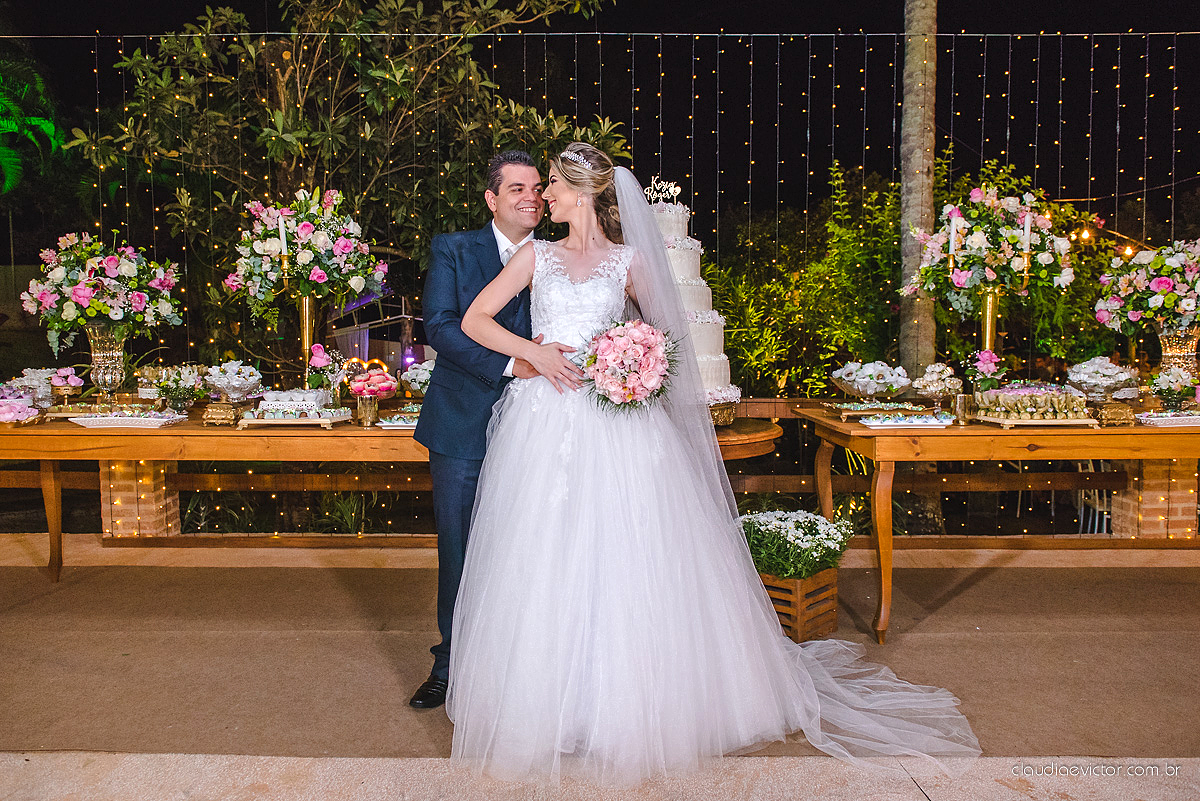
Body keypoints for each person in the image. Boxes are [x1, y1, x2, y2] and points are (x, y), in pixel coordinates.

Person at [449, 142, 981, 785]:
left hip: (621, 427)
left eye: (553, 186)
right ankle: (551, 705)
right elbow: (477, 319)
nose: (544, 197)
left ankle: (629, 705)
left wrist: (637, 363)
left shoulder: (630, 262)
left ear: (581, 193)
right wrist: (534, 351)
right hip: (546, 421)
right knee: (546, 558)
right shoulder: (539, 257)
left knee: (630, 561)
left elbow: (665, 333)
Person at [410, 150, 581, 709]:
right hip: (464, 425)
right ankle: (450, 666)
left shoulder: (561, 254)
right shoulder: (454, 250)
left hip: (544, 429)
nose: (531, 198)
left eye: (538, 188)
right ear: (492, 198)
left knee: (533, 551)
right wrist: (516, 363)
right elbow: (439, 326)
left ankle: (520, 674)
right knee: (460, 548)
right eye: (517, 190)